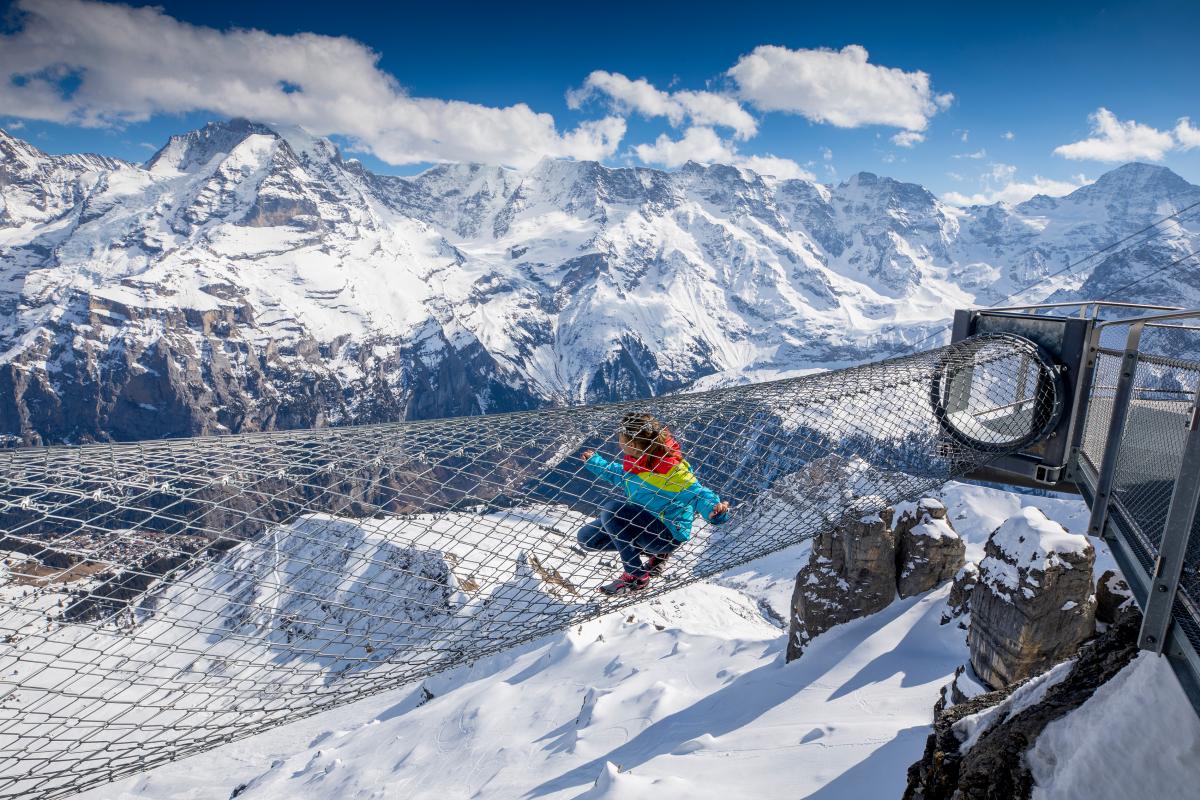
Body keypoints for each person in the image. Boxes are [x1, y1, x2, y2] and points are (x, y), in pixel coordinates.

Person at [577, 411, 730, 595]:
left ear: (631, 444)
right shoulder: (637, 462)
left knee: (612, 511)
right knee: (586, 539)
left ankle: (636, 575)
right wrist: (595, 462)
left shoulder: (672, 470)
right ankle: (654, 555)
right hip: (640, 523)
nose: (618, 442)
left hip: (665, 534)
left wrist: (715, 511)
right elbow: (619, 475)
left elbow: (698, 495)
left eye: (620, 438)